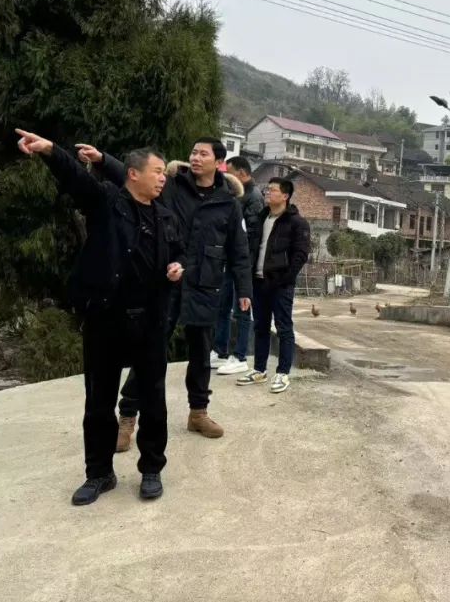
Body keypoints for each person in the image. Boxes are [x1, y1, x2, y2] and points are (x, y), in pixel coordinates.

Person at [15, 129, 184, 505]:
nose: (163, 178)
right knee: (99, 402)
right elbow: (76, 179)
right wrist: (50, 150)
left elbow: (180, 251)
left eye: (164, 173)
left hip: (151, 321)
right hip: (106, 318)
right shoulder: (107, 202)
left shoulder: (166, 216)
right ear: (134, 174)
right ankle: (99, 474)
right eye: (157, 171)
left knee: (153, 401)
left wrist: (178, 266)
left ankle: (151, 469)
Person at [77, 138, 251, 444]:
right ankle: (127, 418)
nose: (195, 157)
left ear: (218, 162)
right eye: (193, 152)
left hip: (205, 285)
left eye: (203, 154)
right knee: (149, 351)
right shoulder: (172, 186)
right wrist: (102, 159)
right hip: (164, 282)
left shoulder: (229, 203)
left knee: (201, 354)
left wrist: (244, 289)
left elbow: (239, 250)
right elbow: (134, 177)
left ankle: (198, 413)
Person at [236, 177, 311, 394]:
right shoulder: (261, 218)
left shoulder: (296, 223)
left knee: (283, 327)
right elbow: (252, 248)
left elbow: (300, 255)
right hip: (258, 281)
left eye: (273, 190)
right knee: (260, 327)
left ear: (285, 196)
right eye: (267, 189)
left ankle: (283, 373)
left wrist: (285, 279)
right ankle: (259, 369)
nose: (268, 193)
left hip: (280, 284)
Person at [215, 156, 265, 375]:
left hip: (242, 264)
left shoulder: (253, 197)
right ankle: (220, 351)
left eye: (230, 173)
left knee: (242, 310)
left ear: (242, 173)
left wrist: (245, 267)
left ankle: (240, 356)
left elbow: (251, 237)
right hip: (228, 260)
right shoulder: (236, 195)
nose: (227, 177)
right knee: (222, 306)